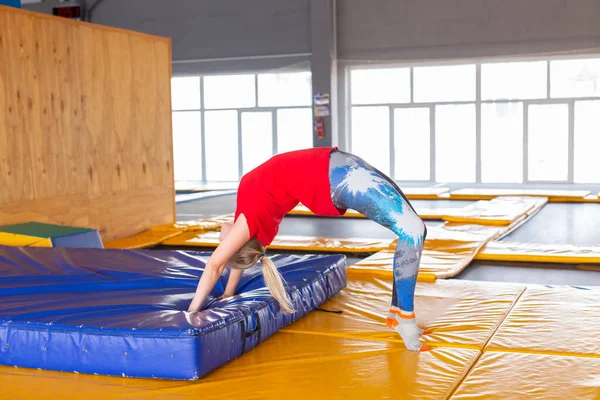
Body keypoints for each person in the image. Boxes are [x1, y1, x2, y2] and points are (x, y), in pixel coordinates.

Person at [187, 147, 429, 351]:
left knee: (419, 228)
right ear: (237, 243)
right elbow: (215, 265)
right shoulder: (249, 221)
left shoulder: (247, 219)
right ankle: (406, 319)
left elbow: (232, 261)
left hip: (343, 165)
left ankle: (396, 313)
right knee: (413, 230)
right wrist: (191, 311)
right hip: (341, 177)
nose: (221, 240)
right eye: (225, 245)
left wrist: (229, 292)